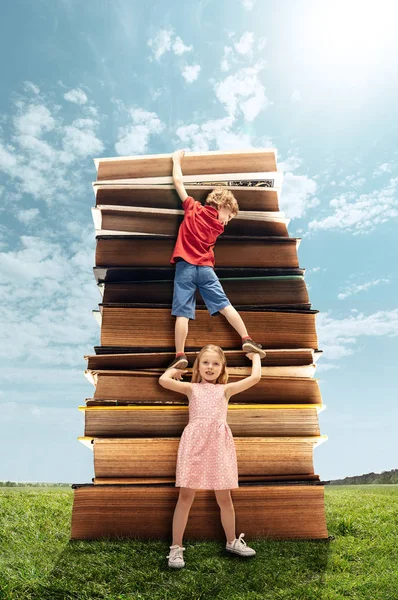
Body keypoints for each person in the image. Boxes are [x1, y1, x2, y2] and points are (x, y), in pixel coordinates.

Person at [159, 344, 262, 569]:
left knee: (224, 498)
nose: (210, 367)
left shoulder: (226, 390)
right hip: (194, 445)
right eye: (205, 362)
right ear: (198, 366)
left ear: (222, 368)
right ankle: (176, 548)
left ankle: (232, 541)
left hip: (218, 446)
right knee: (186, 497)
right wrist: (175, 370)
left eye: (216, 363)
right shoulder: (191, 388)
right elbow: (163, 381)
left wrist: (255, 357)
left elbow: (255, 378)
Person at [168, 149, 266, 370]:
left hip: (184, 268)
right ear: (223, 206)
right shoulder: (217, 229)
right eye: (229, 216)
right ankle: (246, 339)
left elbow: (178, 182)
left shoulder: (192, 208)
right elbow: (217, 223)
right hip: (205, 269)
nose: (226, 223)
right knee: (224, 305)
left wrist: (176, 160)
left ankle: (180, 354)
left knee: (182, 312)